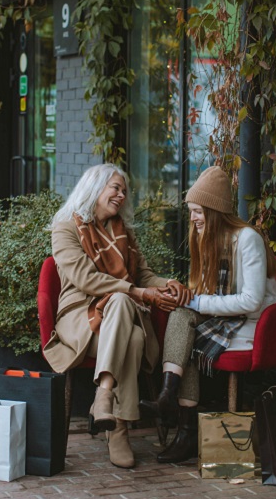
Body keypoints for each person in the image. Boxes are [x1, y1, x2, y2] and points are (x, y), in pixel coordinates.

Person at [43, 163, 192, 469]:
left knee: (128, 319)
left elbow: (144, 275)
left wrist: (168, 283)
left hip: (117, 319)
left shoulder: (122, 231)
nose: (121, 195)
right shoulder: (65, 228)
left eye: (124, 190)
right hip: (79, 316)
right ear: (94, 188)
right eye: (116, 187)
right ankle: (120, 429)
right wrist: (136, 292)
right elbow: (86, 279)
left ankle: (104, 397)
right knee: (131, 324)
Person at [139, 165, 276, 464]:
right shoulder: (209, 238)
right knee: (181, 317)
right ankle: (176, 410)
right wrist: (185, 295)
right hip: (227, 318)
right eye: (191, 211)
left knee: (188, 333)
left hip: (256, 325)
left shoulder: (247, 240)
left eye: (197, 212)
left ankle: (181, 422)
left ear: (215, 211)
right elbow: (206, 292)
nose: (192, 218)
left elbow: (252, 301)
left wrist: (198, 303)